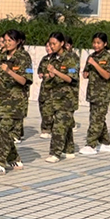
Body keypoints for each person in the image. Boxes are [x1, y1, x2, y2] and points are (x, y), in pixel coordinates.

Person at [0, 29, 31, 176]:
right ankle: (14, 158)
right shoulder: (1, 56)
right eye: (5, 40)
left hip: (15, 103)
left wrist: (9, 71)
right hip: (1, 100)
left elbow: (25, 80)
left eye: (10, 40)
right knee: (0, 132)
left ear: (18, 42)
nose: (7, 43)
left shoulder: (24, 57)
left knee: (5, 131)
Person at [42, 32, 78, 163]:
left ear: (62, 43)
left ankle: (55, 153)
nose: (51, 46)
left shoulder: (71, 58)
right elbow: (47, 75)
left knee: (58, 126)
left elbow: (71, 78)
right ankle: (69, 150)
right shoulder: (52, 58)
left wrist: (56, 72)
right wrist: (50, 75)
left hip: (67, 98)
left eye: (54, 44)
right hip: (54, 97)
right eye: (50, 44)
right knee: (64, 124)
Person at [79, 33, 110, 155]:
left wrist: (95, 64)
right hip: (93, 93)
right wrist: (86, 73)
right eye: (94, 42)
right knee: (98, 118)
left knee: (96, 119)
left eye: (99, 43)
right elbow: (85, 73)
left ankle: (91, 144)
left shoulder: (109, 58)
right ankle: (105, 142)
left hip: (103, 94)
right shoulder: (91, 56)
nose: (96, 45)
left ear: (105, 44)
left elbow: (107, 75)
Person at [37, 41, 56, 139]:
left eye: (50, 46)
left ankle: (47, 129)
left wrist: (52, 75)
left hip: (53, 88)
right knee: (42, 106)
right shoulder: (44, 59)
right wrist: (41, 74)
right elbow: (39, 70)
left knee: (48, 109)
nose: (48, 48)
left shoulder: (56, 59)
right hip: (44, 87)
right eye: (47, 46)